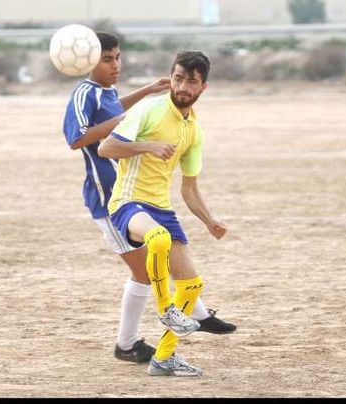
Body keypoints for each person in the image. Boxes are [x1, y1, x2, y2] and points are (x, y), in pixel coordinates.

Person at [61, 34, 236, 365]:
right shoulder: (84, 92)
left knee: (161, 259)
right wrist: (137, 125)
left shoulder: (109, 94)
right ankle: (129, 343)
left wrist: (145, 92)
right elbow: (79, 138)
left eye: (117, 57)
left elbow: (112, 111)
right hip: (108, 195)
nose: (116, 65)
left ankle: (194, 312)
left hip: (140, 194)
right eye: (107, 59)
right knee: (145, 270)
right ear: (87, 62)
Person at [98, 50, 225, 377]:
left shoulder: (193, 129)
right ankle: (166, 309)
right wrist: (148, 146)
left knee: (192, 285)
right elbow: (106, 148)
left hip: (161, 207)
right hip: (128, 203)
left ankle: (164, 358)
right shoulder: (150, 110)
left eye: (191, 82)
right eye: (179, 78)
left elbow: (189, 188)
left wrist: (209, 220)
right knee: (158, 238)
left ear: (203, 88)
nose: (183, 86)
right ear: (171, 76)